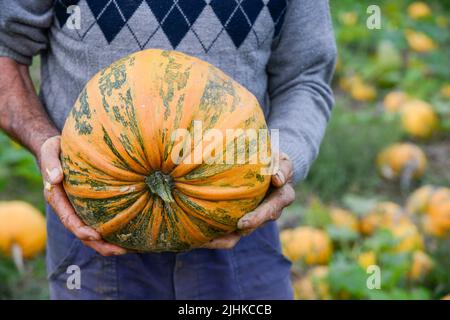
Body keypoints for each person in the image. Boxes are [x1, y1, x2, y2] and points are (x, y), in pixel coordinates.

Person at [0, 0, 336, 299]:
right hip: (93, 223)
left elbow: (304, 77)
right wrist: (44, 140)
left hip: (241, 217)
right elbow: (5, 51)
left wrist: (285, 158)